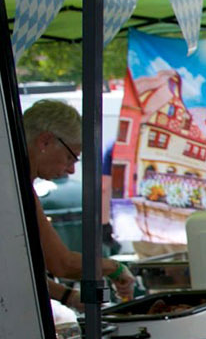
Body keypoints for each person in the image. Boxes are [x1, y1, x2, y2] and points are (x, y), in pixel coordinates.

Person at [22, 100, 134, 307]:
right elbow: (62, 264)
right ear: (45, 142)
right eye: (70, 157)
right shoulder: (16, 187)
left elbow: (18, 270)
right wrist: (114, 268)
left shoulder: (19, 183)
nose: (72, 170)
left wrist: (68, 297)